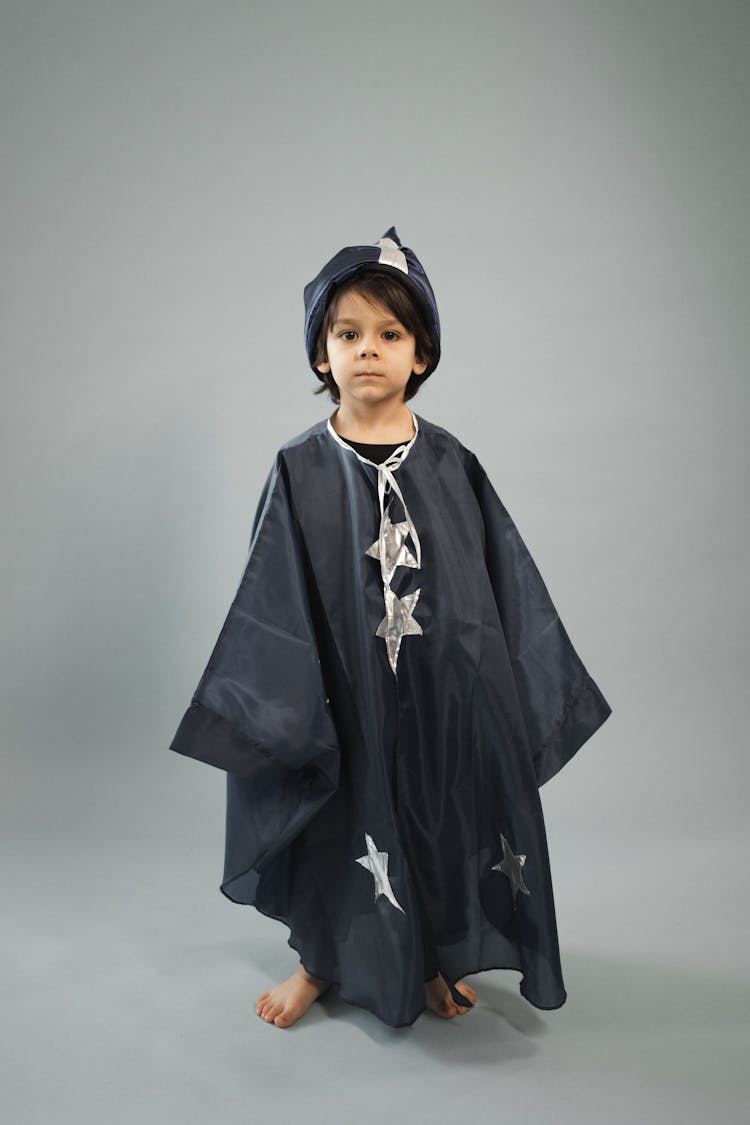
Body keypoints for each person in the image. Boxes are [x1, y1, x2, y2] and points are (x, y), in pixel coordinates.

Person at [170, 226, 612, 1030]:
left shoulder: (452, 464)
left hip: (441, 692)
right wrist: (284, 709)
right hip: (341, 694)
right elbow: (270, 593)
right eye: (348, 334)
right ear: (320, 355)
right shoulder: (299, 468)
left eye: (389, 333)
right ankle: (320, 961)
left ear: (422, 354)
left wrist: (497, 693)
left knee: (439, 813)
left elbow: (498, 584)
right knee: (346, 816)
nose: (367, 350)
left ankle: (432, 958)